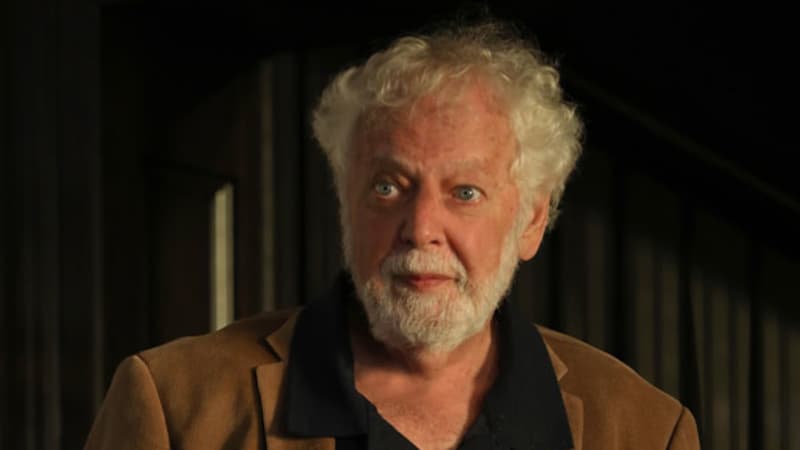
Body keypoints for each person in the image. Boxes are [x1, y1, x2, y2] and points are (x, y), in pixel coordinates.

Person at [84, 20, 700, 450]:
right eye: (388, 186)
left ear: (532, 220)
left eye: (465, 192)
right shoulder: (174, 406)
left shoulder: (646, 430)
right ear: (346, 201)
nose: (421, 228)